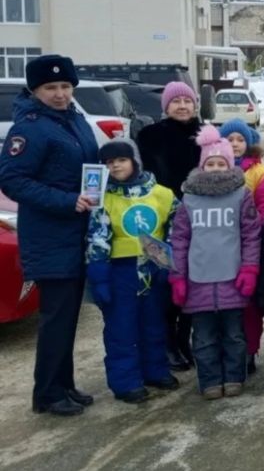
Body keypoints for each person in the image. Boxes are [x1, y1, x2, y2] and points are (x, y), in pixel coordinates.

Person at [0, 55, 99, 416]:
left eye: (65, 86)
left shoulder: (73, 118)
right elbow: (12, 180)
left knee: (69, 315)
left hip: (76, 232)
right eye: (50, 88)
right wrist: (66, 201)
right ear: (34, 90)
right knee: (56, 316)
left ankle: (63, 384)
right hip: (50, 234)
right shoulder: (29, 128)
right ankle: (47, 393)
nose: (59, 93)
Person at [169, 126, 261, 400]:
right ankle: (209, 379)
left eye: (222, 163)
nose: (217, 168)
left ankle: (234, 377)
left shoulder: (241, 195)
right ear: (202, 165)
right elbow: (180, 239)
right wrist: (178, 277)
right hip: (198, 280)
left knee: (234, 334)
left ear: (230, 165)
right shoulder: (190, 198)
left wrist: (249, 268)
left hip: (233, 278)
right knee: (204, 336)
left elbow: (251, 235)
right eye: (212, 163)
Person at [85, 139, 180, 403]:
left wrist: (169, 261)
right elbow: (98, 237)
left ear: (134, 161)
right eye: (109, 162)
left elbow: (177, 226)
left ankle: (156, 370)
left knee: (154, 325)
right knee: (121, 329)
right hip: (120, 272)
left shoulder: (161, 193)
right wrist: (99, 276)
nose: (116, 166)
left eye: (121, 160)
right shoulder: (103, 199)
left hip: (153, 269)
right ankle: (125, 382)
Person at [136, 81, 203, 371]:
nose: (182, 106)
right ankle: (167, 342)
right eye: (176, 102)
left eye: (187, 101)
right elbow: (147, 176)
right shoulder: (151, 135)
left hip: (200, 216)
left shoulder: (206, 134)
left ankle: (184, 338)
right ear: (166, 106)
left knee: (193, 280)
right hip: (164, 215)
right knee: (167, 280)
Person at [219, 118, 264, 375]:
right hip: (219, 249)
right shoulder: (214, 167)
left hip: (250, 247)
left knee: (249, 305)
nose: (235, 144)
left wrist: (249, 233)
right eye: (229, 140)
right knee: (223, 303)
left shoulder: (259, 172)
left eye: (240, 139)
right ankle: (226, 350)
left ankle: (249, 351)